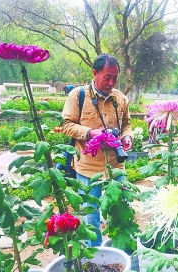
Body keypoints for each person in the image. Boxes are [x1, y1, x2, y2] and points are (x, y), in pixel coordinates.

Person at [61, 54, 133, 246]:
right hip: (87, 168)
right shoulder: (78, 96)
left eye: (115, 78)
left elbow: (127, 124)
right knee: (91, 216)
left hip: (116, 166)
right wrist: (91, 133)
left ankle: (122, 249)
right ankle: (97, 255)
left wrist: (127, 136)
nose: (111, 82)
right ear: (95, 73)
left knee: (122, 207)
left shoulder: (121, 98)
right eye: (107, 77)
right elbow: (67, 125)